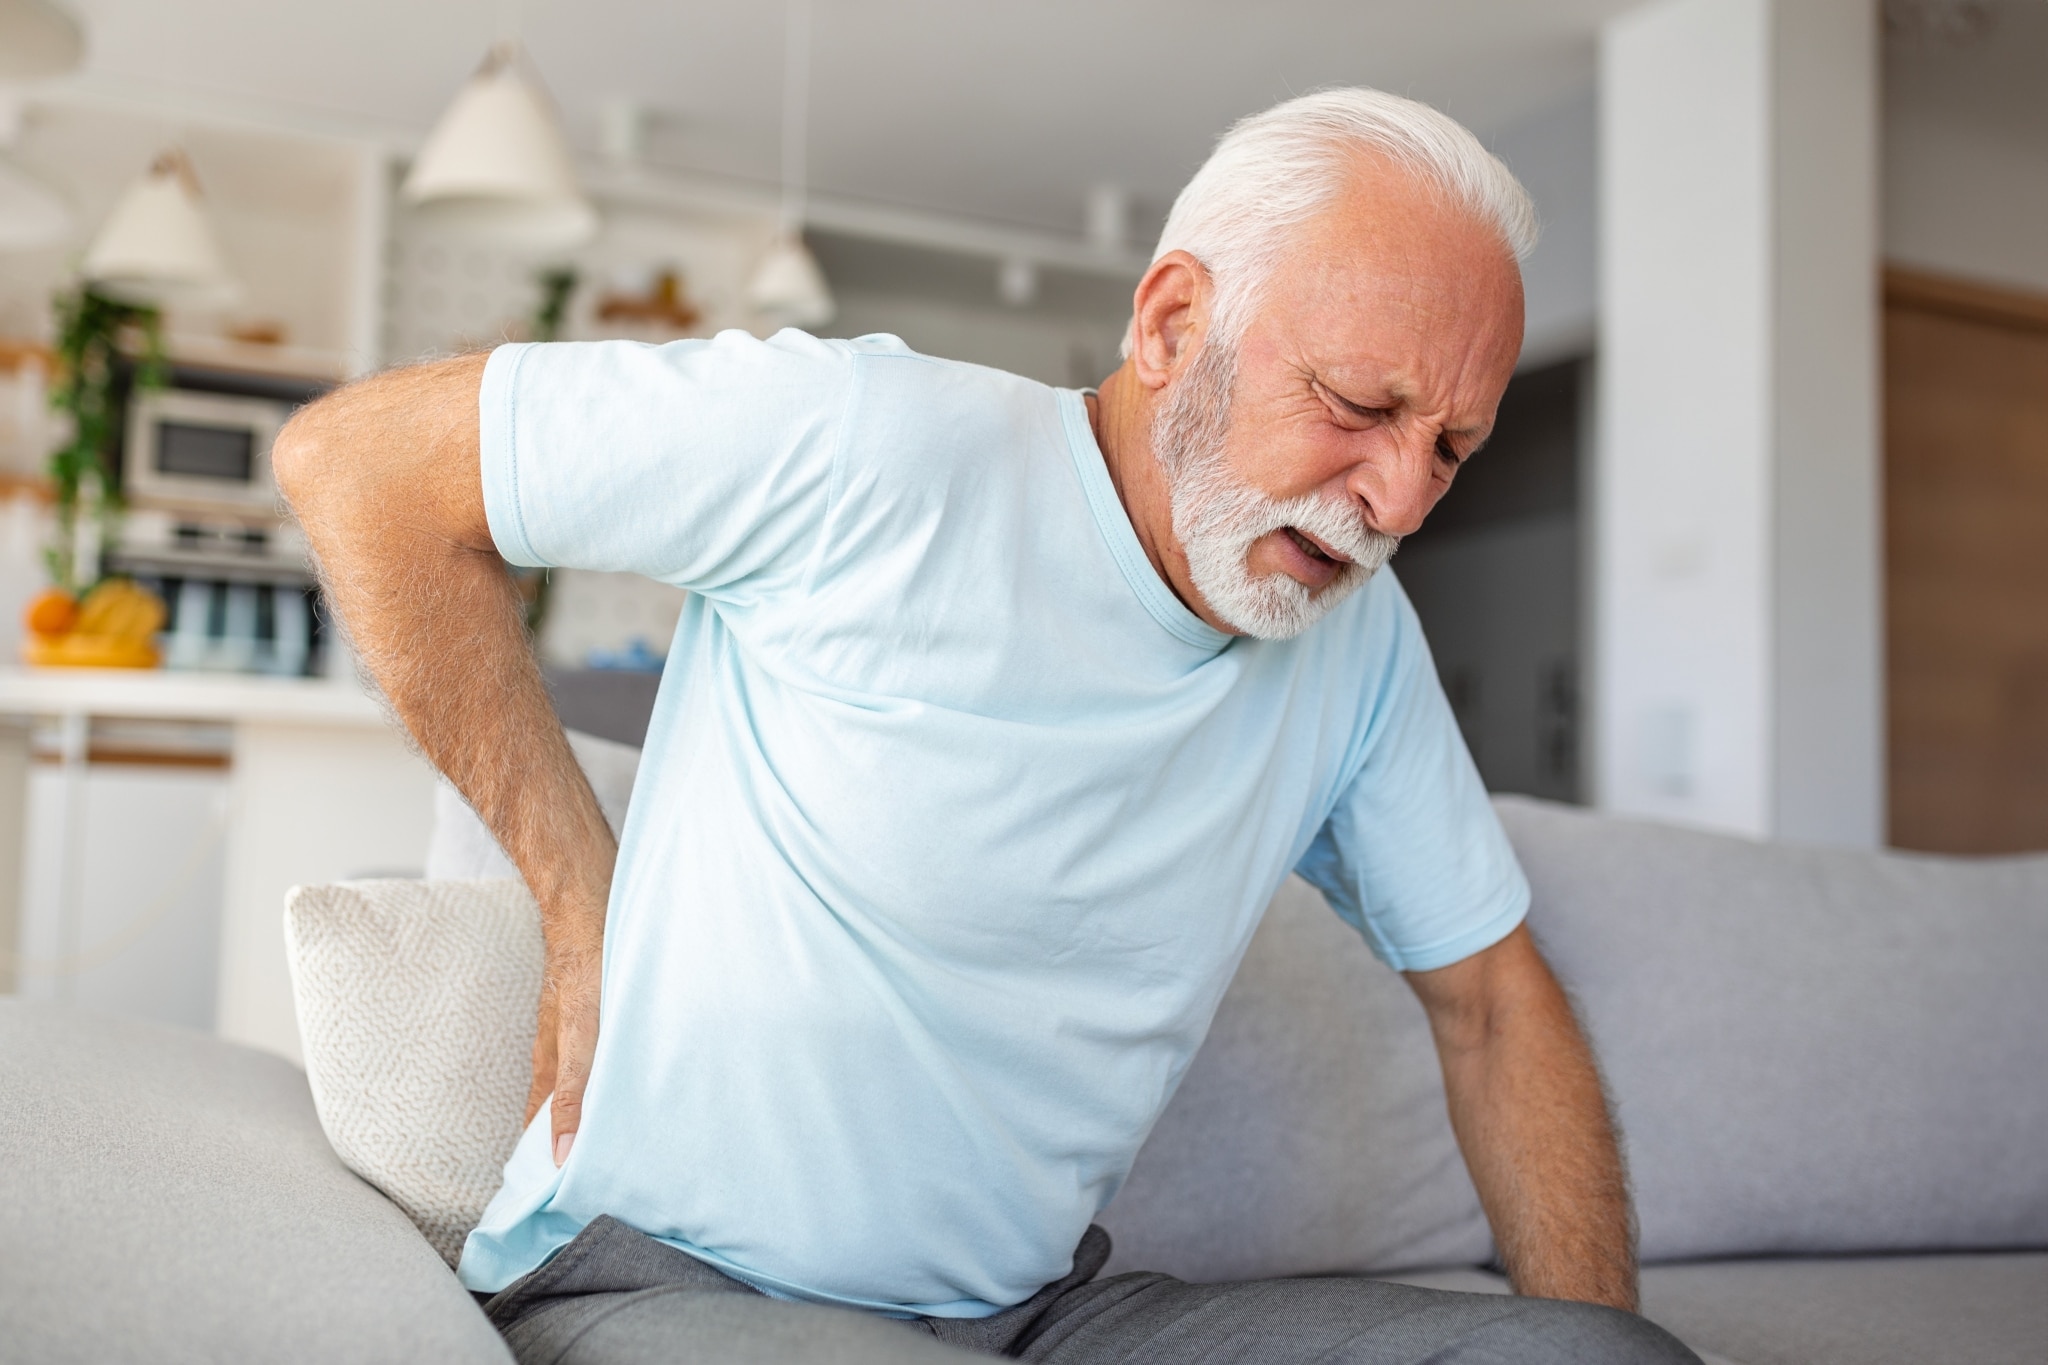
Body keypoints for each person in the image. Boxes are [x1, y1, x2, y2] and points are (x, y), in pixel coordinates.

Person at [278, 88, 1701, 1365]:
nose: (1395, 500)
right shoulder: (864, 441)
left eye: (1449, 446)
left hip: (1043, 1315)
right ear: (1170, 324)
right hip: (663, 1279)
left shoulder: (1358, 643)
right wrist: (579, 901)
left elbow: (1497, 1006)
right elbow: (356, 466)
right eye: (1356, 404)